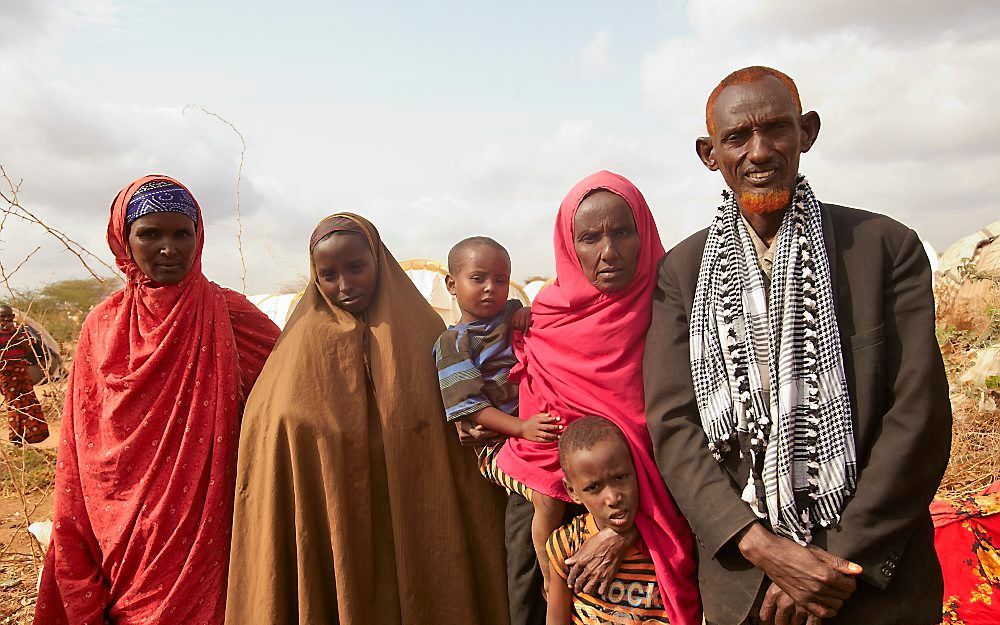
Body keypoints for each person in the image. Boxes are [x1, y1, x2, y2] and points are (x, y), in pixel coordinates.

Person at [644, 66, 952, 625]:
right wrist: (762, 548)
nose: (759, 152)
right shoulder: (682, 274)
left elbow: (918, 417)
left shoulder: (885, 250)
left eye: (776, 130)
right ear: (709, 154)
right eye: (737, 137)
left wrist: (831, 562)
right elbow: (673, 425)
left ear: (806, 133)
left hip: (870, 587)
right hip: (747, 590)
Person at [226, 214, 509, 625]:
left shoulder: (425, 334)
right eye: (329, 274)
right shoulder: (294, 352)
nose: (345, 285)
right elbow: (274, 431)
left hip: (416, 517)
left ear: (378, 260)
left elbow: (466, 404)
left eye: (356, 268)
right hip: (332, 514)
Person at [34, 175, 280, 625]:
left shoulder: (232, 314)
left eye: (180, 233)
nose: (168, 248)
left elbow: (294, 388)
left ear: (198, 237)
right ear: (124, 239)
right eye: (150, 234)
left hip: (208, 518)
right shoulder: (101, 326)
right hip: (117, 520)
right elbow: (80, 440)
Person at [494, 170, 701, 625]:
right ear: (569, 245)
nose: (608, 252)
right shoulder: (545, 315)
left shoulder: (677, 308)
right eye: (589, 237)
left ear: (643, 231)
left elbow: (691, 430)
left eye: (623, 232)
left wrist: (621, 525)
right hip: (549, 500)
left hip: (650, 506)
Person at [435, 235, 565, 599]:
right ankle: (548, 576)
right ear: (452, 284)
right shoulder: (453, 344)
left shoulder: (510, 314)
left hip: (530, 430)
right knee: (547, 497)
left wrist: (527, 313)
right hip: (495, 445)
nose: (491, 288)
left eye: (501, 279)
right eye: (478, 279)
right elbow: (472, 406)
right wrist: (521, 427)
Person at [547, 416, 672, 625]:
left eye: (621, 477)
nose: (613, 498)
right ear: (572, 491)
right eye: (593, 487)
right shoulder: (567, 544)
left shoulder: (666, 539)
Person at [0, 305, 49, 445]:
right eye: (2, 317)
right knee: (14, 403)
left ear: (13, 317)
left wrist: (16, 334)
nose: (6, 319)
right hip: (5, 373)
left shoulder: (20, 332)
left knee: (29, 400)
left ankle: (34, 435)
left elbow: (30, 351)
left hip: (21, 370)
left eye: (8, 316)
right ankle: (16, 437)